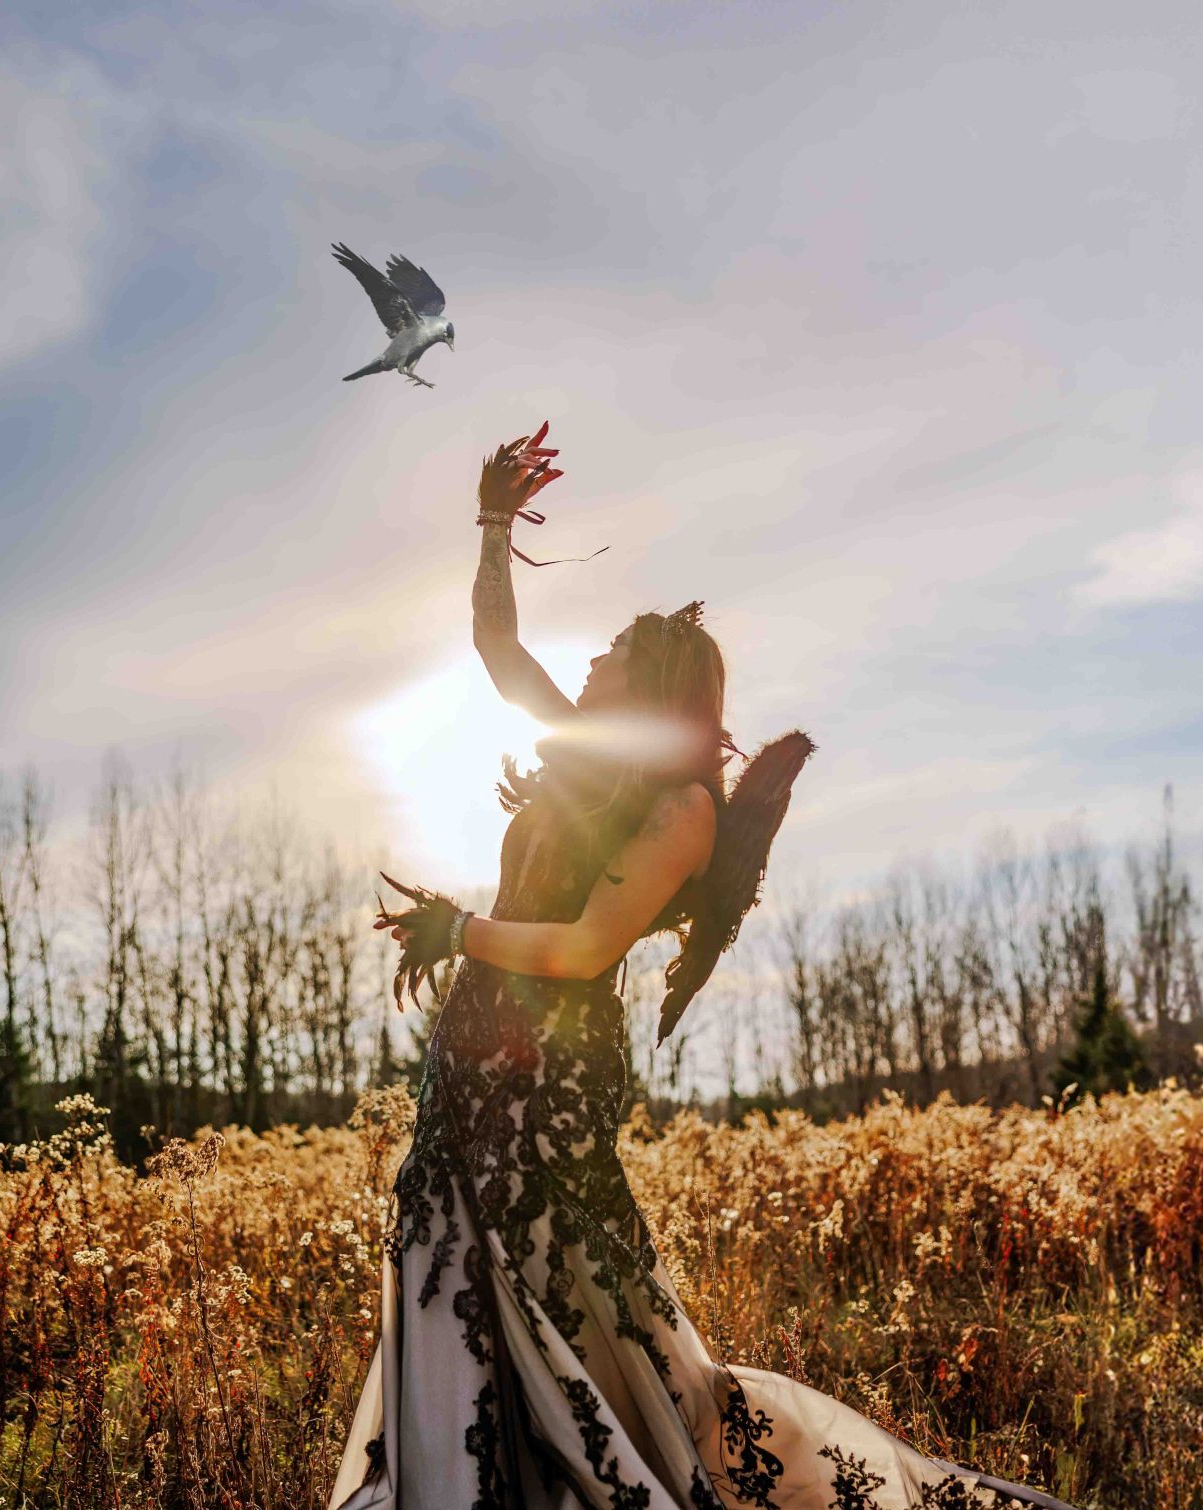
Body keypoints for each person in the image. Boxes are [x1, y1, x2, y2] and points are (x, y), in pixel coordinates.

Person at [328, 425, 1071, 1510]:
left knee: (566, 1308)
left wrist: (461, 932)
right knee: (449, 1278)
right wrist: (492, 521)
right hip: (469, 1067)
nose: (591, 662)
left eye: (614, 652)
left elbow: (586, 947)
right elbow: (496, 644)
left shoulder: (680, 809)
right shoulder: (587, 758)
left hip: (544, 1088)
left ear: (656, 680)